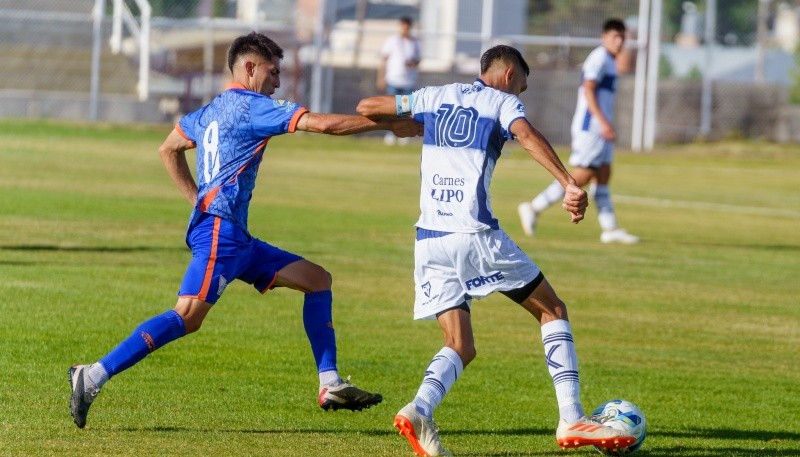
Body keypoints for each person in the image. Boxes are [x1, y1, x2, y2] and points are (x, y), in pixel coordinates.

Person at [67, 31, 422, 429]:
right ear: (250, 68)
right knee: (187, 315)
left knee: (318, 280)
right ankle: (93, 374)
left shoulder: (211, 110)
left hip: (235, 237)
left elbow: (168, 148)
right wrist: (388, 124)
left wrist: (200, 201)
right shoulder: (253, 107)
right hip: (222, 234)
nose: (278, 82)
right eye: (273, 72)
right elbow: (322, 125)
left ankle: (329, 383)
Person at [356, 46, 636, 456]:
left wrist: (411, 121)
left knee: (460, 345)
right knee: (552, 310)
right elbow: (526, 134)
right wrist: (568, 183)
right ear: (508, 76)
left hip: (429, 239)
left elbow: (367, 106)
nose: (523, 89)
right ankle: (571, 417)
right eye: (523, 81)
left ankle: (419, 408)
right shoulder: (502, 101)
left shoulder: (435, 96)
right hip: (474, 234)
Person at [518, 18, 640, 244]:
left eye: (622, 37)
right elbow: (589, 91)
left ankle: (610, 228)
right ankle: (534, 207)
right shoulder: (599, 57)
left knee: (603, 173)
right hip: (591, 128)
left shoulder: (611, 60)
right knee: (582, 176)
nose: (619, 41)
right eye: (615, 36)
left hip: (600, 128)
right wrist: (603, 122)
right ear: (603, 38)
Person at [377, 15, 421, 146]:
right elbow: (384, 60)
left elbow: (418, 60)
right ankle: (390, 133)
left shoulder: (415, 43)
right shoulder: (392, 41)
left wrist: (413, 64)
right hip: (393, 79)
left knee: (406, 110)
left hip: (408, 81)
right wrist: (380, 77)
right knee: (392, 109)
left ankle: (404, 133)